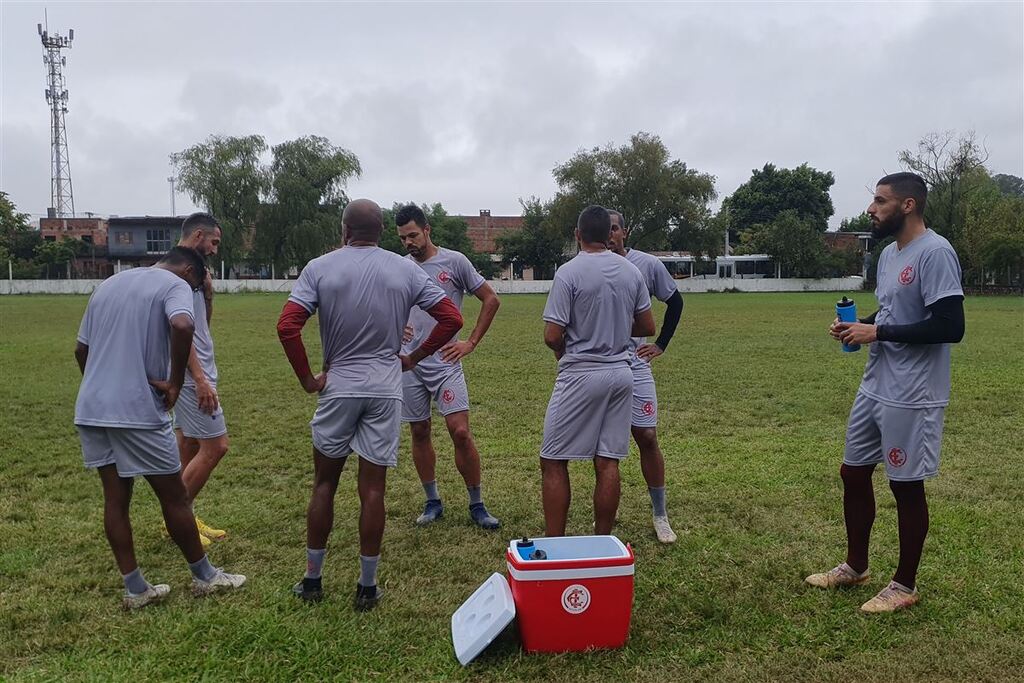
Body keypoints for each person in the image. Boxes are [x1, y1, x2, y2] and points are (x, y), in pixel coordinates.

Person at [277, 199, 463, 610]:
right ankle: (366, 586)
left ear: (344, 230)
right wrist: (412, 358)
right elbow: (451, 318)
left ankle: (312, 580)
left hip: (339, 385)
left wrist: (309, 379)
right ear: (382, 232)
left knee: (324, 483)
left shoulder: (320, 267)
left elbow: (287, 325)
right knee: (373, 489)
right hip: (385, 388)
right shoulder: (404, 269)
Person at [806, 172, 965, 613]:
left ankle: (904, 585)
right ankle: (856, 567)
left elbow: (951, 326)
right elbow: (895, 310)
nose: (871, 209)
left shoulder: (936, 252)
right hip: (877, 383)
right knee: (852, 473)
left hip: (913, 391)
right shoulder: (890, 255)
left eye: (880, 200)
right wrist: (859, 326)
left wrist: (877, 330)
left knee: (906, 486)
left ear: (908, 205)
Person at [74, 246, 246, 610]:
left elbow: (80, 350)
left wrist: (100, 385)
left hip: (91, 408)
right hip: (137, 408)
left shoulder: (109, 284)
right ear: (188, 271)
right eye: (198, 286)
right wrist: (174, 381)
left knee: (115, 500)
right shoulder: (175, 284)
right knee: (174, 496)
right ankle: (207, 577)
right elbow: (183, 325)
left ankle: (136, 589)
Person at [539, 205, 655, 536]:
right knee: (607, 461)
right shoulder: (631, 271)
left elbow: (551, 335)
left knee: (553, 459)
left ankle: (556, 544)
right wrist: (616, 323)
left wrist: (563, 349)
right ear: (609, 235)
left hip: (580, 373)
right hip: (622, 373)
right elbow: (647, 323)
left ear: (577, 235)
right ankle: (602, 540)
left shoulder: (569, 272)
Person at [395, 204, 501, 529]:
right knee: (419, 430)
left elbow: (491, 299)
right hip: (409, 365)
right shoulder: (399, 268)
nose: (409, 242)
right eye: (402, 238)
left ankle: (477, 504)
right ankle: (432, 502)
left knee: (461, 432)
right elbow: (381, 306)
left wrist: (470, 342)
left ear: (427, 230)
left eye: (413, 235)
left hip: (445, 363)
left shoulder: (454, 262)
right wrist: (394, 327)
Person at [607, 209, 684, 543]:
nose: (609, 235)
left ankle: (660, 514)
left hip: (636, 364)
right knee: (606, 447)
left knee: (647, 437)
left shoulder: (647, 265)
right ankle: (605, 519)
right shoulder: (586, 267)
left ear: (624, 232)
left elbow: (675, 301)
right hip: (602, 364)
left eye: (614, 229)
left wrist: (661, 344)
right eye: (603, 229)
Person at [170, 212, 229, 546]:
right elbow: (178, 330)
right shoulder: (179, 273)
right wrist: (199, 377)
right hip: (195, 376)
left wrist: (208, 294)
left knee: (190, 443)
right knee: (216, 446)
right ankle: (177, 518)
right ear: (197, 236)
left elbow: (200, 323)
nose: (215, 249)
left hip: (200, 370)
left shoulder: (196, 272)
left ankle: (184, 515)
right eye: (214, 242)